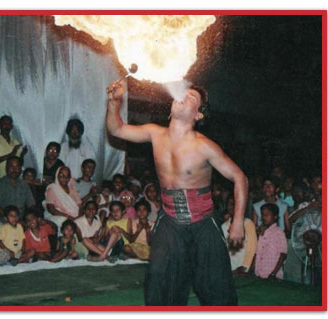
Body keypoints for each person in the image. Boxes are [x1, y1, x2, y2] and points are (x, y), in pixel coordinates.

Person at [106, 80, 248, 306]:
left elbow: (239, 177)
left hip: (203, 224)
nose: (183, 97)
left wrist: (238, 221)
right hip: (169, 222)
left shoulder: (204, 146)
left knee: (217, 290)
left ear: (198, 115)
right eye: (183, 94)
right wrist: (114, 102)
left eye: (192, 98)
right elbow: (116, 129)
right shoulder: (155, 133)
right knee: (160, 282)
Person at [0, 156, 36, 222]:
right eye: (11, 166)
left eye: (17, 167)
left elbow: (31, 205)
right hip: (3, 219)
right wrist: (12, 219)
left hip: (21, 220)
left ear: (20, 169)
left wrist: (33, 217)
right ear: (6, 168)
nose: (14, 170)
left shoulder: (24, 185)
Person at [221, 195, 257, 275]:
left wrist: (245, 267)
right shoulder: (224, 226)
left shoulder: (248, 224)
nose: (233, 206)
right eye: (230, 204)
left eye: (235, 204)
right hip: (229, 269)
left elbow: (252, 249)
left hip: (243, 269)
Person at [254, 203, 287, 280]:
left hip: (272, 275)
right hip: (259, 273)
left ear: (275, 217)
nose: (264, 217)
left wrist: (273, 273)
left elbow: (283, 255)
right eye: (262, 215)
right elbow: (257, 253)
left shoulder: (279, 232)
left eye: (267, 215)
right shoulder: (261, 232)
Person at [44, 166, 82, 232]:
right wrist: (68, 217)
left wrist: (79, 216)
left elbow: (80, 206)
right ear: (57, 176)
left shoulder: (72, 188)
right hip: (60, 215)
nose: (64, 178)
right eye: (61, 175)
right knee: (69, 224)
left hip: (75, 215)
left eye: (67, 176)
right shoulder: (53, 189)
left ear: (69, 178)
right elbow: (51, 209)